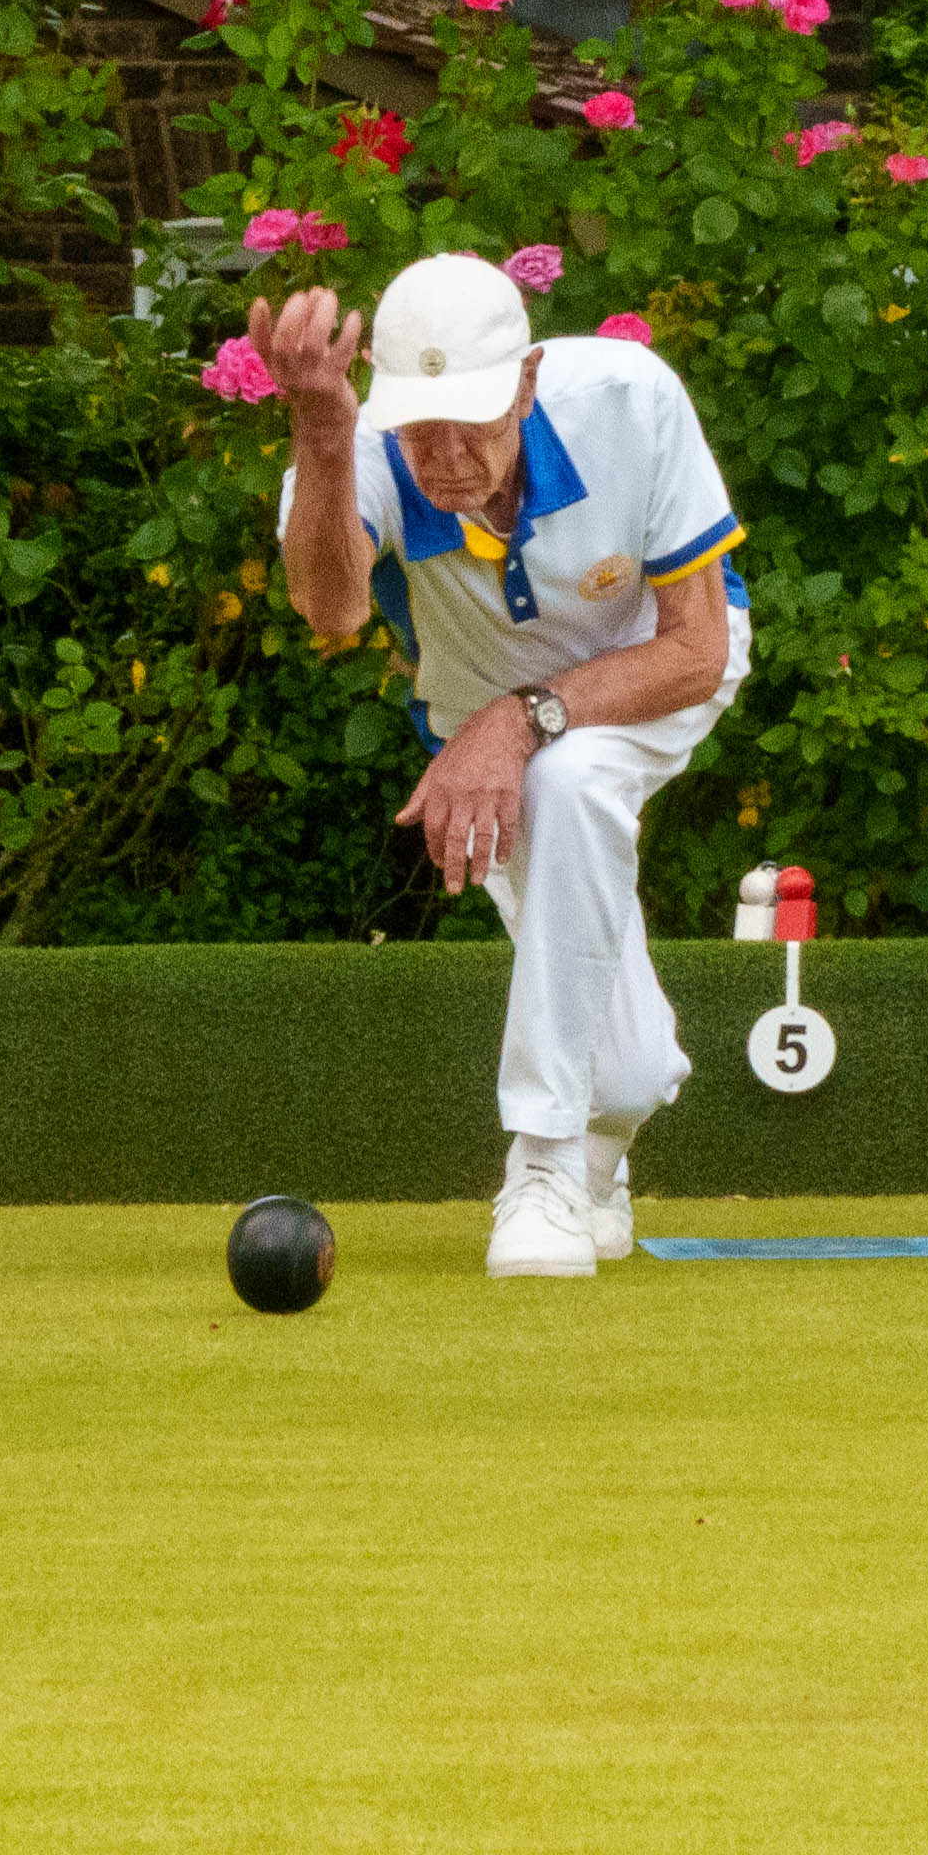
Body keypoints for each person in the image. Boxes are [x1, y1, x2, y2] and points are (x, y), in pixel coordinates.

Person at [263, 255, 752, 1277]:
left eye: (473, 426)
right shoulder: (358, 446)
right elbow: (332, 611)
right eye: (418, 431)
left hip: (650, 679)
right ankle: (597, 1152)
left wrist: (524, 718)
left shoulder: (627, 399)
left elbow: (696, 647)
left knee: (565, 773)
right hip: (481, 733)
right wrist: (320, 435)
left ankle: (538, 1166)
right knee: (622, 1060)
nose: (442, 458)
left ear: (526, 383)